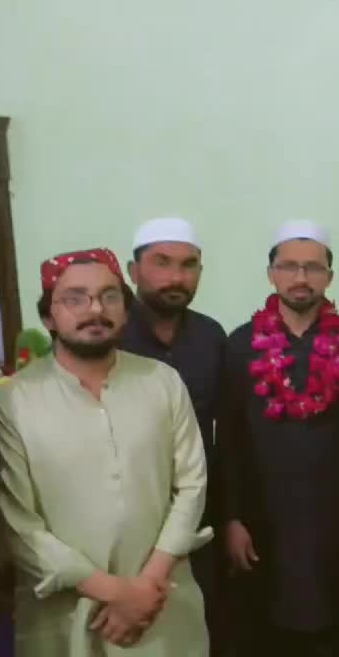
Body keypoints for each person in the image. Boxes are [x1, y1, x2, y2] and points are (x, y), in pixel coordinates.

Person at [0, 248, 212, 656]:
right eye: (75, 298)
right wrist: (117, 594)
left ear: (125, 311)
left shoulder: (162, 381)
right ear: (48, 316)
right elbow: (19, 523)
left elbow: (192, 485)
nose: (95, 309)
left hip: (163, 605)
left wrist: (146, 586)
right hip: (66, 618)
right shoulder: (15, 400)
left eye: (109, 296)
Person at [217, 219, 339, 656]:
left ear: (330, 276)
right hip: (263, 520)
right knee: (264, 632)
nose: (301, 277)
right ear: (271, 274)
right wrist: (231, 518)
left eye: (313, 267)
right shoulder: (240, 345)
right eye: (289, 266)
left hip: (336, 519)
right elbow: (228, 440)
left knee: (337, 628)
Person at [120, 216, 230, 654]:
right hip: (129, 518)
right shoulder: (109, 335)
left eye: (188, 265)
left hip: (201, 517)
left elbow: (229, 431)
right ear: (133, 270)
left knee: (203, 629)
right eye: (161, 262)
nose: (175, 277)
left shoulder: (210, 336)